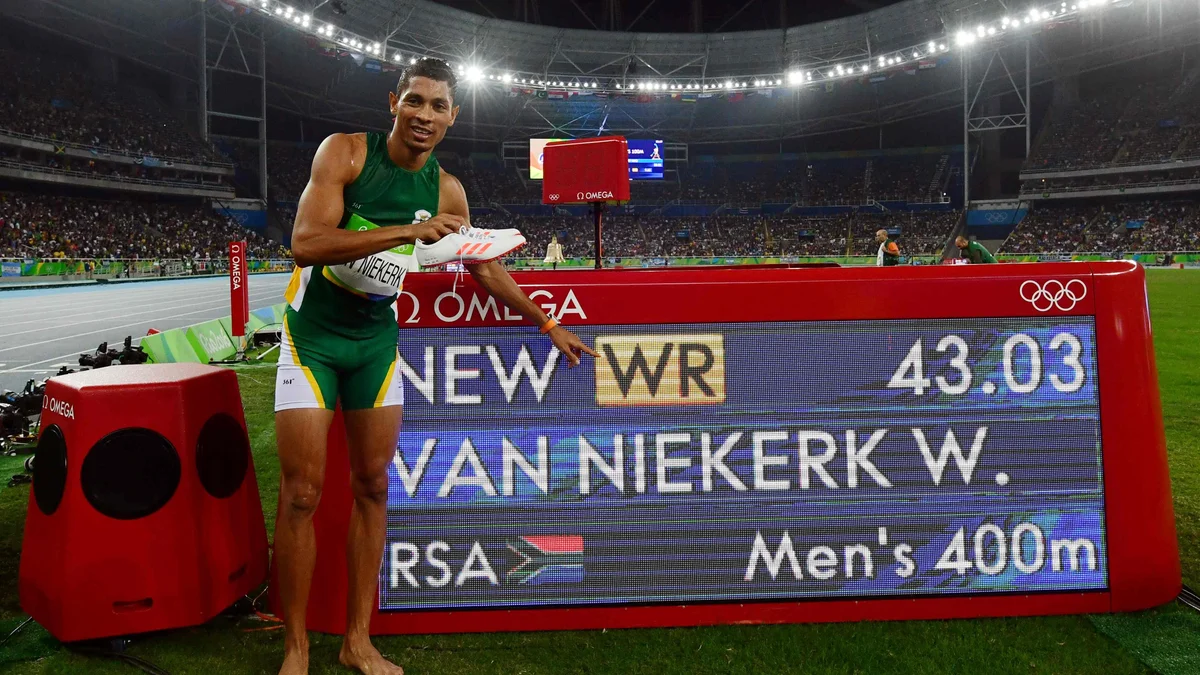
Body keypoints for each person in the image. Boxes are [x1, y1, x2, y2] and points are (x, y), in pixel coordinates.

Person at [273, 58, 600, 675]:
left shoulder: (448, 189)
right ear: (394, 102)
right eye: (415, 102)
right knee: (302, 494)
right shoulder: (345, 153)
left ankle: (356, 641)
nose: (425, 115)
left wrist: (546, 321)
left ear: (453, 117)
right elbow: (306, 244)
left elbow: (482, 265)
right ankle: (295, 648)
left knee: (373, 486)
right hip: (310, 338)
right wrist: (409, 232)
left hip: (373, 343)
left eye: (438, 106)